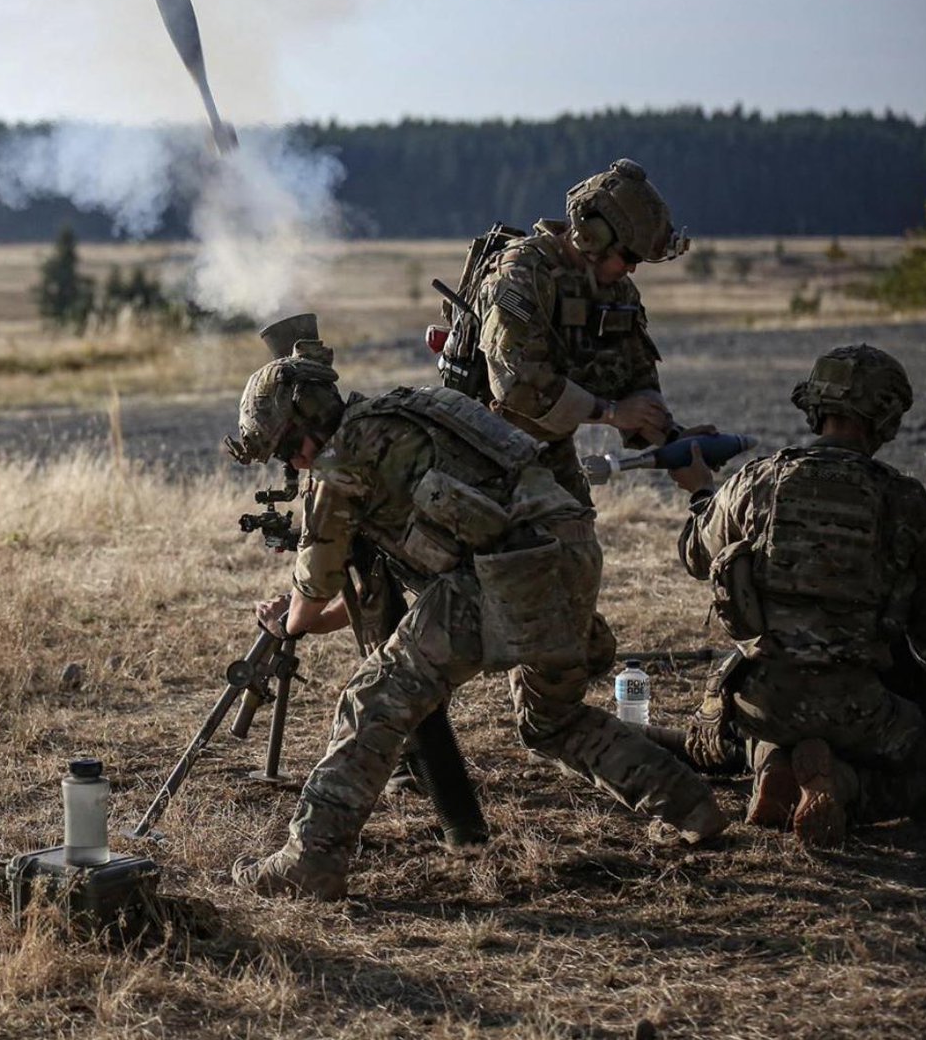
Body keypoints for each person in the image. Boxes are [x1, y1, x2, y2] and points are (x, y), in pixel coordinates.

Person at [223, 325, 727, 899]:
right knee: (551, 721)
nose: (296, 463)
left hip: (502, 576)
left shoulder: (341, 466)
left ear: (306, 420)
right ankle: (689, 805)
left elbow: (311, 599)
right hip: (568, 554)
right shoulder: (415, 408)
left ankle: (310, 860)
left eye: (289, 449)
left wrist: (287, 619)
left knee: (375, 698)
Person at [671, 344, 926, 847]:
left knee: (754, 733)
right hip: (859, 705)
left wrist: (701, 494)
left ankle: (774, 766)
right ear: (886, 419)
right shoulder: (905, 501)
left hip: (758, 700)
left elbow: (696, 556)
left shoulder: (755, 480)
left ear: (816, 408)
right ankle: (840, 787)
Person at [467, 158, 700, 507]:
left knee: (576, 554)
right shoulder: (522, 274)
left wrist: (675, 438)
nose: (632, 268)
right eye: (627, 255)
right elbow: (516, 385)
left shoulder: (616, 288)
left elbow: (636, 374)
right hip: (484, 446)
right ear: (591, 235)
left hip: (549, 444)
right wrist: (610, 413)